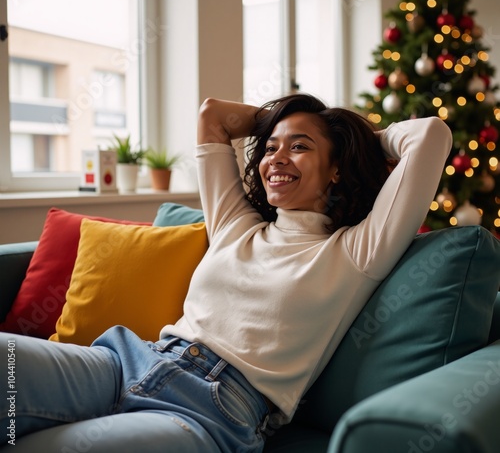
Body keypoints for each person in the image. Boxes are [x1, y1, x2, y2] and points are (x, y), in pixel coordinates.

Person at [0, 93, 452, 453]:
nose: (277, 157)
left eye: (299, 147)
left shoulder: (356, 251)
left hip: (209, 412)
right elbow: (212, 116)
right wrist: (291, 124)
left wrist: (351, 136)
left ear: (335, 170)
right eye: (270, 147)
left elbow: (430, 135)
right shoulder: (235, 225)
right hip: (129, 362)